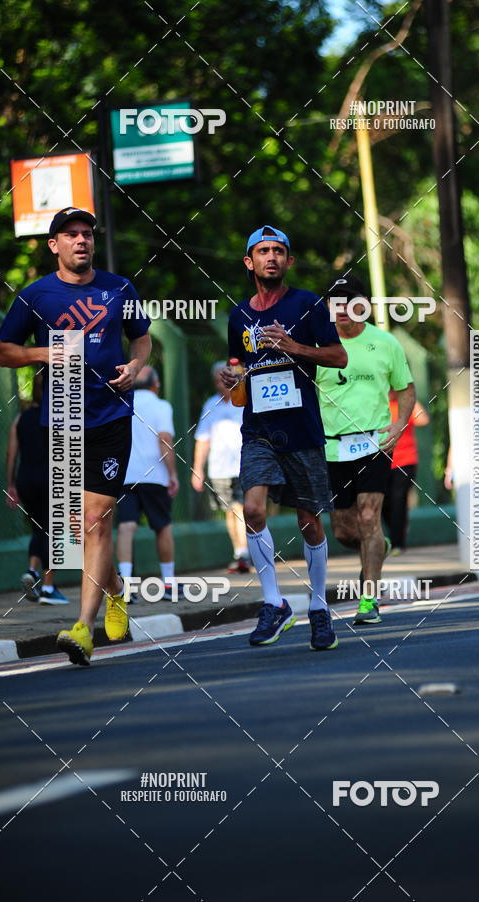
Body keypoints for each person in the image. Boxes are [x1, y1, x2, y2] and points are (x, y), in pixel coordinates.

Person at [0, 207, 151, 665]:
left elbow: (140, 338)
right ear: (54, 245)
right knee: (77, 527)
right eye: (71, 235)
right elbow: (4, 352)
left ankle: (83, 628)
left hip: (111, 416)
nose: (82, 241)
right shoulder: (34, 296)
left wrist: (136, 366)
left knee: (95, 520)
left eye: (87, 234)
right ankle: (116, 590)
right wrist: (47, 351)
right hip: (60, 417)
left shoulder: (120, 288)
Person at [223, 225, 347, 650]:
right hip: (258, 431)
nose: (271, 257)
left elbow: (337, 354)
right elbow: (237, 374)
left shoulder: (308, 303)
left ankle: (317, 606)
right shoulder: (239, 314)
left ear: (289, 260)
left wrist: (295, 347)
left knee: (310, 521)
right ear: (249, 262)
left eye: (278, 251)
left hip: (302, 429)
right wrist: (229, 376)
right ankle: (274, 604)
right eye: (263, 251)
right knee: (253, 510)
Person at [315, 274, 415, 625]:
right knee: (344, 530)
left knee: (370, 517)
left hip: (374, 441)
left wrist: (400, 423)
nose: (341, 307)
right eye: (335, 300)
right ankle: (379, 547)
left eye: (349, 300)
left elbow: (406, 388)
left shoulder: (385, 343)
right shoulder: (318, 344)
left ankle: (368, 600)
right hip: (330, 447)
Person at [116, 366, 180, 601]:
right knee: (162, 526)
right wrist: (172, 474)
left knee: (126, 526)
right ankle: (168, 584)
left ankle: (125, 585)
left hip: (125, 475)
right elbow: (164, 440)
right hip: (155, 475)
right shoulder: (161, 406)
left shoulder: (122, 403)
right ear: (156, 384)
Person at [5, 372, 70, 604]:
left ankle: (32, 572)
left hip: (26, 480)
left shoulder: (20, 419)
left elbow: (11, 454)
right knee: (56, 532)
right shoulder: (60, 416)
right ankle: (49, 588)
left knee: (38, 529)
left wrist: (11, 485)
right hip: (52, 480)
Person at [192, 361, 250, 573]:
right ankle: (239, 553)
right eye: (217, 380)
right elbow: (203, 438)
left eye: (223, 378)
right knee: (230, 511)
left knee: (240, 508)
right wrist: (198, 469)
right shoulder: (210, 405)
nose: (221, 384)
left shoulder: (245, 401)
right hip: (219, 469)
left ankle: (244, 552)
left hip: (245, 465)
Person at [382, 390, 430, 555]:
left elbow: (423, 419)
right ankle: (399, 528)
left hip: (406, 460)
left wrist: (409, 397)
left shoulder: (405, 407)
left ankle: (397, 544)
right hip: (384, 462)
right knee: (384, 502)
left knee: (398, 499)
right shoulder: (380, 406)